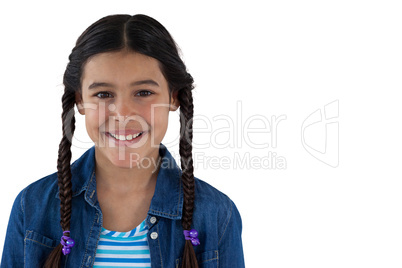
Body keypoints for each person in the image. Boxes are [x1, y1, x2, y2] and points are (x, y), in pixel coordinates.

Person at [0, 14, 245, 268]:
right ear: (80, 101)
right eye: (103, 94)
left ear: (174, 98)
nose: (123, 113)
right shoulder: (31, 208)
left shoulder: (217, 214)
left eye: (144, 92)